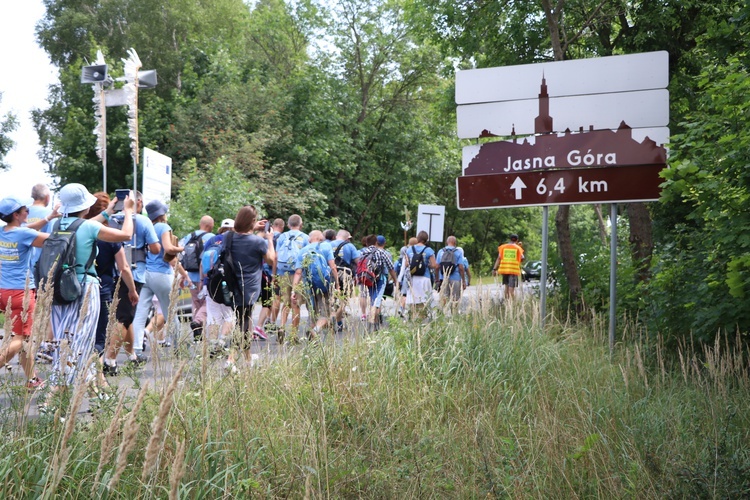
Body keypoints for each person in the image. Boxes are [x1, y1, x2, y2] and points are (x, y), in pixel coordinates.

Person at [47, 184, 134, 402]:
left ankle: (93, 395)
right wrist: (129, 211)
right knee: (83, 341)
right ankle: (53, 398)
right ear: (86, 207)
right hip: (85, 288)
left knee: (63, 341)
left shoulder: (57, 225)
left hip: (59, 290)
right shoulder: (88, 227)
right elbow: (126, 234)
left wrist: (109, 210)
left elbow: (82, 226)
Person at [84, 192, 139, 377]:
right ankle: (98, 378)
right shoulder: (109, 236)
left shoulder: (80, 230)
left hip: (78, 288)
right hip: (102, 289)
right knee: (100, 338)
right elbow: (124, 267)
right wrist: (132, 290)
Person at [105, 191, 161, 365]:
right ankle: (110, 360)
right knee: (122, 318)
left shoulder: (110, 220)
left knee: (127, 316)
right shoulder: (143, 221)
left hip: (111, 272)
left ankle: (132, 355)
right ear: (139, 202)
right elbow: (155, 249)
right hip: (134, 273)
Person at [0, 196, 48, 390]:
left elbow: (28, 230)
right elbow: (51, 241)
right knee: (20, 339)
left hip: (3, 290)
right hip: (21, 292)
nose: (28, 212)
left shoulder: (3, 232)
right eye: (25, 210)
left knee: (22, 337)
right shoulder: (23, 234)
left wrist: (48, 217)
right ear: (16, 214)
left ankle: (32, 379)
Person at [131, 200, 187, 356]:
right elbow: (168, 250)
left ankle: (136, 349)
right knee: (170, 312)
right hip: (161, 274)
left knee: (140, 312)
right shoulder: (163, 227)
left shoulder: (145, 226)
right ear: (162, 214)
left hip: (144, 273)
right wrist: (181, 248)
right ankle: (178, 346)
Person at [226, 206, 274, 370]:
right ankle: (231, 359)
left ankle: (247, 357)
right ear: (251, 222)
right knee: (243, 322)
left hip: (232, 285)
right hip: (249, 287)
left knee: (243, 320)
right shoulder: (258, 242)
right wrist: (270, 239)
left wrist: (253, 226)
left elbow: (238, 230)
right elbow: (271, 260)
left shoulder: (229, 237)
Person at [291, 230, 338, 340]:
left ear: (309, 239)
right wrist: (338, 285)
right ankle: (315, 330)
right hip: (325, 285)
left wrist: (294, 290)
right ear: (321, 238)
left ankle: (311, 340)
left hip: (309, 286)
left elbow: (298, 272)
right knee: (326, 313)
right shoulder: (326, 246)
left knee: (312, 311)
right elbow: (333, 267)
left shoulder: (303, 251)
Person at [199, 219, 235, 354]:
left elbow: (202, 263)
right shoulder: (233, 240)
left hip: (211, 282)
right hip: (227, 282)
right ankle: (221, 342)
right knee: (229, 315)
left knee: (213, 316)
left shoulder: (212, 240)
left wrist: (203, 282)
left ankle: (212, 346)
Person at [179, 215, 215, 341]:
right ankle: (198, 321)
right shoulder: (210, 237)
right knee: (207, 302)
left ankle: (197, 330)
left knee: (196, 302)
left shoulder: (189, 236)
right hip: (204, 276)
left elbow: (180, 253)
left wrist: (182, 275)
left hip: (189, 275)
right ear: (210, 225)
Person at [274, 214, 308, 339]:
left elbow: (276, 257)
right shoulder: (305, 237)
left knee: (286, 302)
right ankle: (294, 335)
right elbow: (306, 258)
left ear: (288, 225)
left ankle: (282, 327)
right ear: (301, 224)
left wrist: (274, 274)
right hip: (297, 274)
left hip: (283, 272)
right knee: (296, 303)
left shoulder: (282, 236)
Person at [358, 234, 398, 331]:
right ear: (376, 243)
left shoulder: (363, 252)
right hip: (380, 280)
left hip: (368, 279)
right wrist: (396, 281)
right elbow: (391, 267)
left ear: (366, 243)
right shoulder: (381, 252)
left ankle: (375, 324)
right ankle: (372, 325)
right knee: (376, 301)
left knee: (373, 299)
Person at [330, 229, 360, 332]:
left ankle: (334, 321)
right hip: (346, 275)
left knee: (332, 299)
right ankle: (337, 321)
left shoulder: (328, 245)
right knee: (344, 300)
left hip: (331, 275)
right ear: (348, 238)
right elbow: (358, 261)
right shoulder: (350, 246)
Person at [404, 231, 438, 317]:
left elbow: (406, 264)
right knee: (424, 301)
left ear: (417, 238)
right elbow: (434, 265)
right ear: (426, 240)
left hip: (413, 278)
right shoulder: (429, 250)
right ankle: (422, 319)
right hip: (424, 278)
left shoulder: (409, 249)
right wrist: (426, 265)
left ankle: (413, 317)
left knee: (413, 300)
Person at [435, 236, 466, 310]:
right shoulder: (458, 252)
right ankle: (454, 315)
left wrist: (437, 279)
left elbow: (437, 267)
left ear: (446, 242)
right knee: (455, 300)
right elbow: (461, 267)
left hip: (444, 278)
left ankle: (443, 315)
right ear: (455, 243)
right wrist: (464, 281)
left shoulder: (441, 251)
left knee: (444, 299)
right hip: (455, 278)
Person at [492, 234, 525, 300]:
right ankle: (512, 305)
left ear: (510, 239)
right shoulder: (518, 248)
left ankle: (506, 304)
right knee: (511, 290)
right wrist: (519, 247)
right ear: (517, 240)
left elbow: (499, 258)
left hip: (505, 270)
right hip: (513, 271)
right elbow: (522, 258)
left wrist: (494, 269)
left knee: (506, 288)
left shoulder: (503, 247)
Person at [396, 237, 417, 316]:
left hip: (407, 275)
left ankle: (402, 308)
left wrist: (399, 279)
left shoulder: (407, 251)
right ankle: (412, 311)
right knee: (413, 294)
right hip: (416, 275)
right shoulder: (419, 252)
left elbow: (403, 267)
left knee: (404, 294)